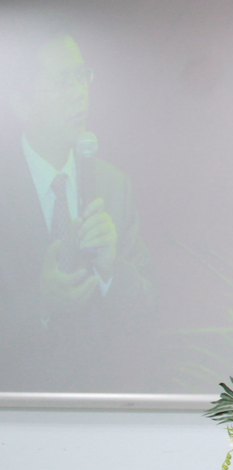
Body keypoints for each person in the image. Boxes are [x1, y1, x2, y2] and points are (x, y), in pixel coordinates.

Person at [0, 16, 153, 392]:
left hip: (99, 402)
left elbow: (148, 314)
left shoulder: (113, 185)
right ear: (21, 102)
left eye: (82, 76)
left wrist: (111, 269)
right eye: (62, 81)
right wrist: (40, 305)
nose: (79, 93)